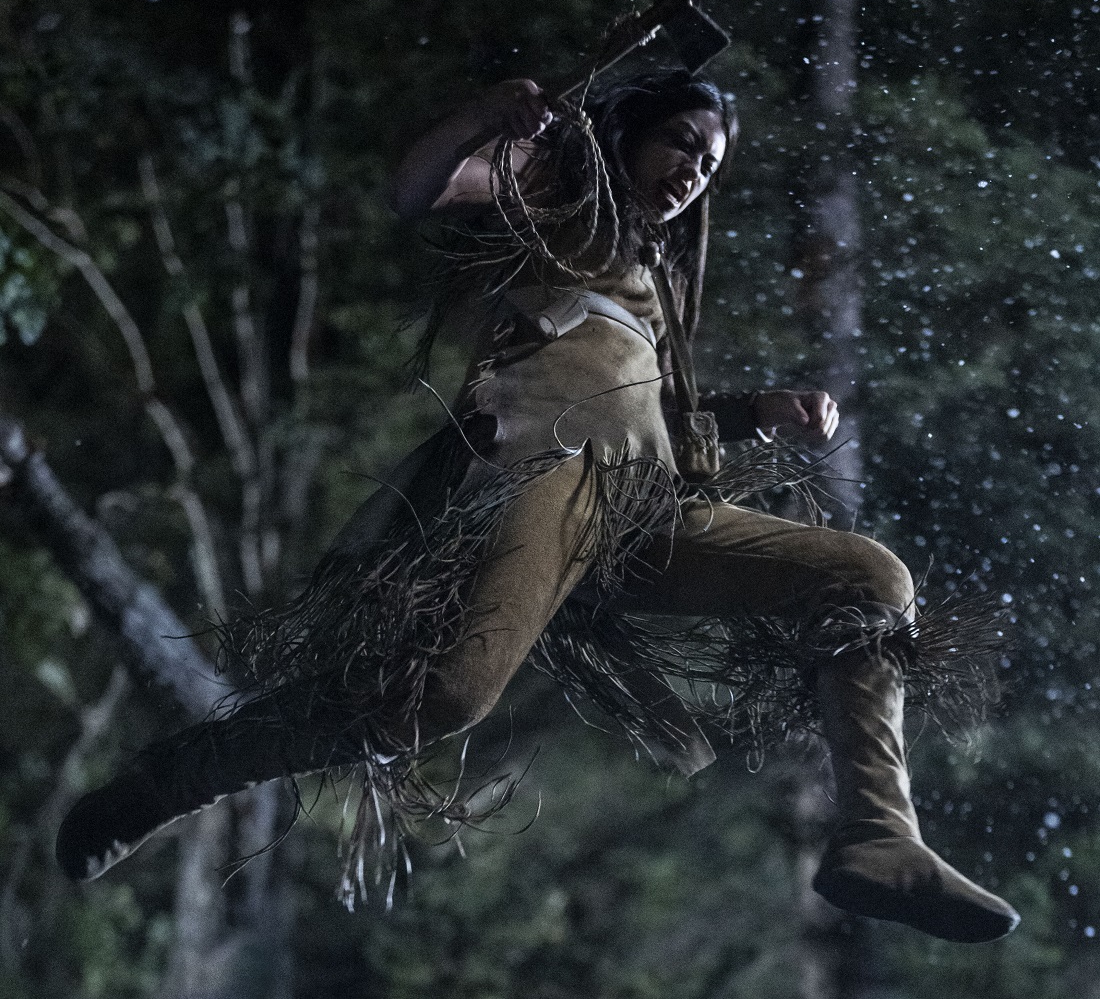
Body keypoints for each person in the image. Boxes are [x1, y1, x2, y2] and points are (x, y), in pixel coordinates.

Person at [57, 70, 1018, 942]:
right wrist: (486, 114)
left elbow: (657, 412)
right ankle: (173, 779)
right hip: (550, 472)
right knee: (443, 699)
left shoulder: (657, 286)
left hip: (647, 511)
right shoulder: (566, 198)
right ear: (631, 133)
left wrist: (757, 410)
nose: (693, 171)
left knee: (870, 578)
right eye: (682, 142)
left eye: (710, 164)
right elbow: (418, 188)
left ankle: (878, 837)